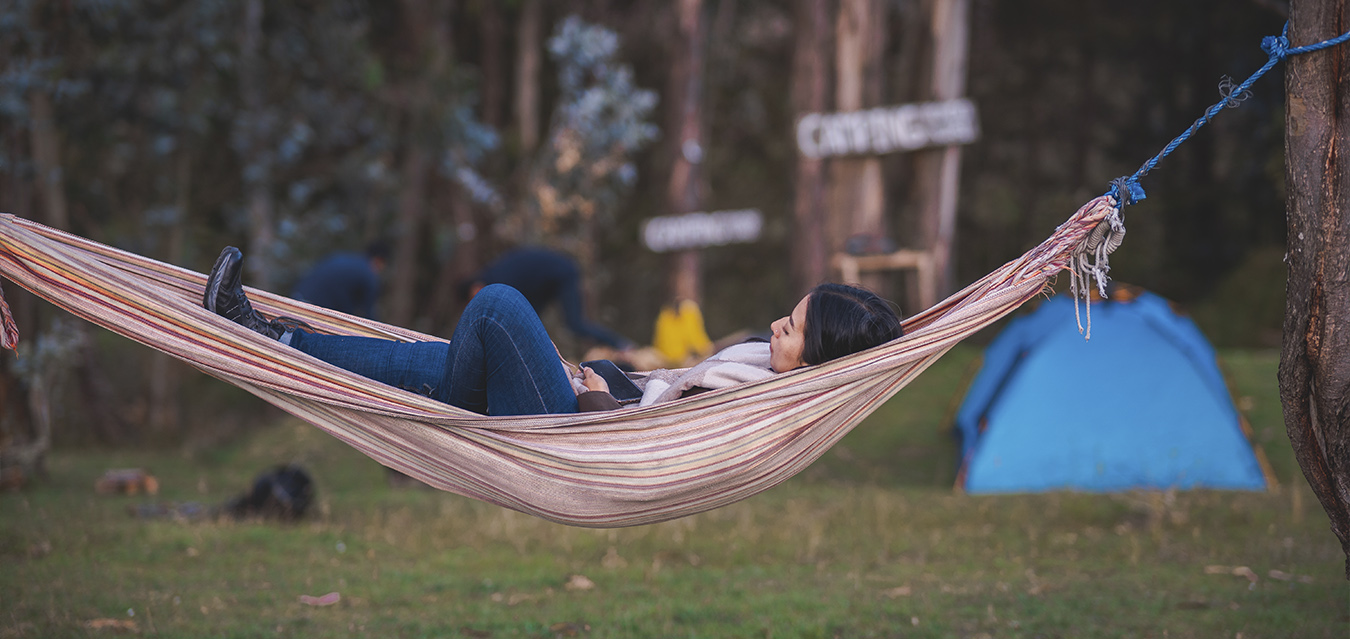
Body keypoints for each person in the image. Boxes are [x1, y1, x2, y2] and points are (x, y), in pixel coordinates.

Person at [204, 247, 903, 416]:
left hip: (574, 438)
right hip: (578, 415)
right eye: (792, 311)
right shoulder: (758, 370)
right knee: (434, 362)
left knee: (499, 307)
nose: (778, 322)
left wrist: (593, 388)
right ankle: (275, 339)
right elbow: (656, 399)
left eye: (794, 329)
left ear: (817, 359)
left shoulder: (756, 405)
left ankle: (269, 336)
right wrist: (594, 373)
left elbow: (653, 446)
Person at [463, 247, 634, 350]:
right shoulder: (495, 275)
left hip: (561, 275)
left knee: (576, 324)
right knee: (531, 324)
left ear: (475, 287)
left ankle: (620, 344)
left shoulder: (498, 279)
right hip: (546, 283)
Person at [291, 242, 388, 319]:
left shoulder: (340, 257)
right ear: (378, 260)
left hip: (296, 299)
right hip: (314, 311)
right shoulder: (367, 273)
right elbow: (369, 314)